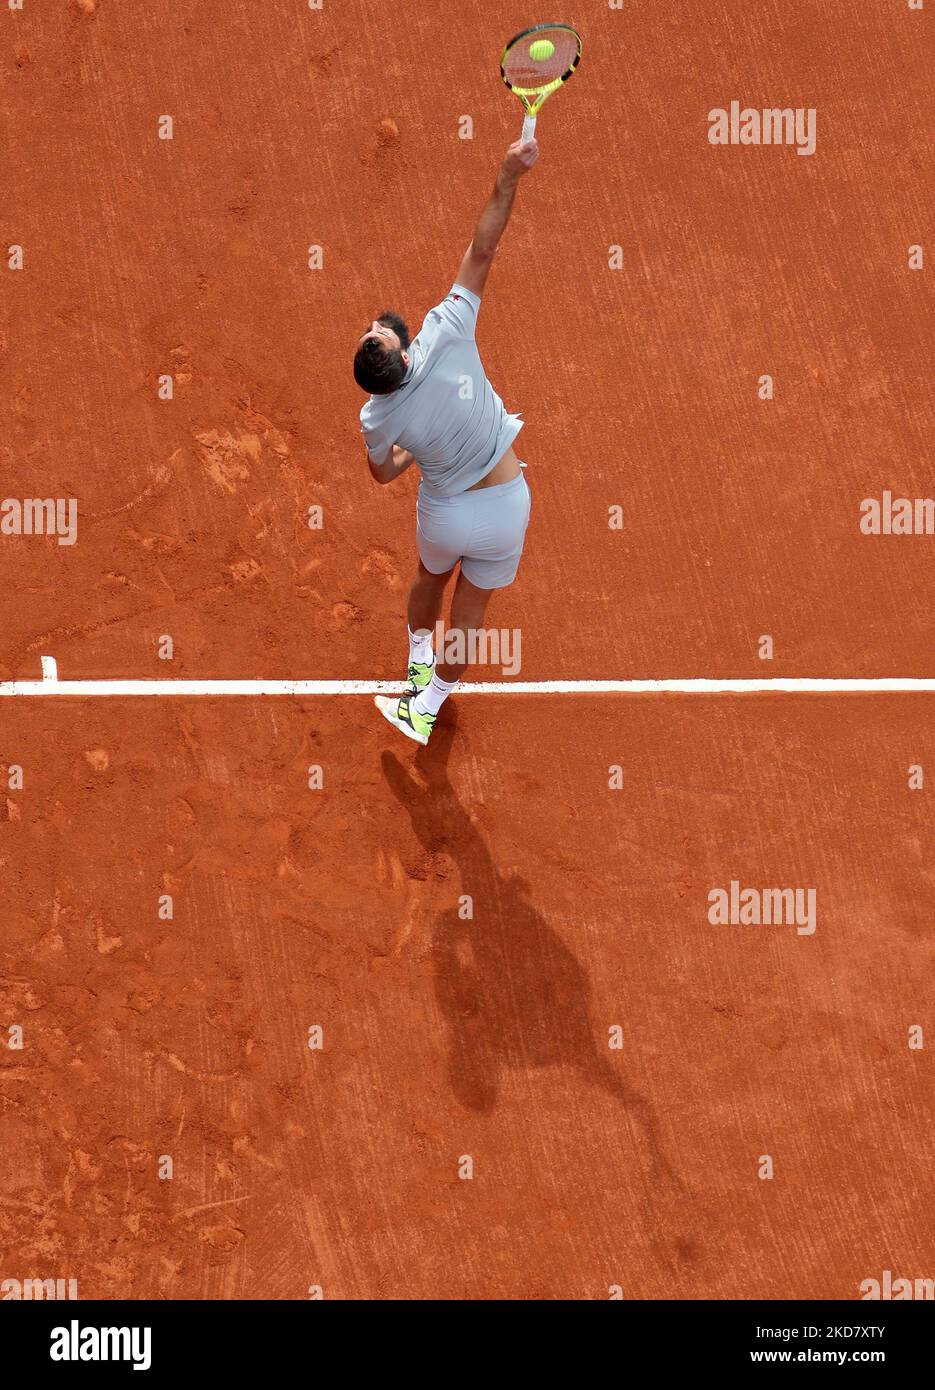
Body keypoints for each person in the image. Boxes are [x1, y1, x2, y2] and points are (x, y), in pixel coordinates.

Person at [354, 138, 539, 745]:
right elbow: (484, 246)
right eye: (378, 335)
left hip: (446, 514)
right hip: (509, 505)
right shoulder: (448, 328)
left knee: (429, 579)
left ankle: (415, 661)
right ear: (400, 351)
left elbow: (383, 474)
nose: (377, 326)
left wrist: (413, 450)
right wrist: (508, 174)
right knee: (471, 618)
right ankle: (427, 703)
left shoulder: (378, 419)